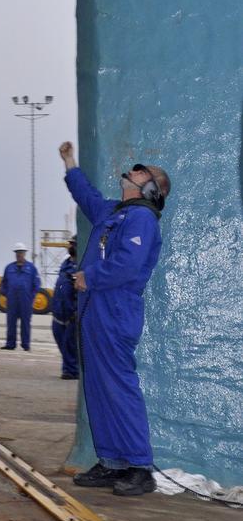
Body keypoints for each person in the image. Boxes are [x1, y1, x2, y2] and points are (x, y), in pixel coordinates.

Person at [59, 140, 170, 498]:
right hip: (94, 309)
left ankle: (140, 466)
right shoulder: (115, 212)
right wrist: (70, 162)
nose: (133, 170)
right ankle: (112, 461)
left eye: (142, 171)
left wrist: (90, 276)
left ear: (150, 187)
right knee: (98, 387)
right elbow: (87, 195)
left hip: (115, 308)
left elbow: (128, 265)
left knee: (119, 387)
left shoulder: (142, 218)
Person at [0, 244, 40, 351]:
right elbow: (3, 284)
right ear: (15, 254)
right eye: (17, 252)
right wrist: (7, 294)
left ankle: (25, 345)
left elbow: (36, 285)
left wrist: (31, 297)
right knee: (11, 323)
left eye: (21, 252)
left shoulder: (31, 268)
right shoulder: (9, 268)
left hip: (26, 301)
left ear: (25, 253)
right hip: (12, 301)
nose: (19, 254)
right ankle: (10, 344)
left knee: (25, 324)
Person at [51, 236, 79, 379]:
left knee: (70, 344)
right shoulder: (65, 264)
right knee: (61, 340)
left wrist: (75, 310)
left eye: (73, 244)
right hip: (58, 312)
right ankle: (69, 368)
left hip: (71, 315)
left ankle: (71, 371)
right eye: (70, 244)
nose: (71, 246)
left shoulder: (82, 266)